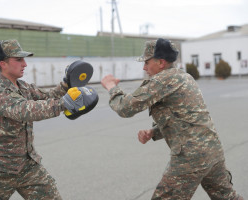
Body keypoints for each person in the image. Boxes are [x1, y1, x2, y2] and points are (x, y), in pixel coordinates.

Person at [101, 38, 243, 200]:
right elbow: (184, 117)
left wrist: (111, 87)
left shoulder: (163, 80)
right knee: (227, 197)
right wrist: (153, 131)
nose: (144, 67)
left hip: (191, 157)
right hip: (213, 151)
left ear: (161, 62)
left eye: (147, 62)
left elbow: (125, 107)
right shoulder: (184, 77)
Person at [0, 39, 97, 200]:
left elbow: (47, 97)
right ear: (3, 64)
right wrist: (64, 104)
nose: (25, 64)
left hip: (28, 166)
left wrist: (67, 83)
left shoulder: (23, 87)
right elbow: (25, 110)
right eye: (19, 59)